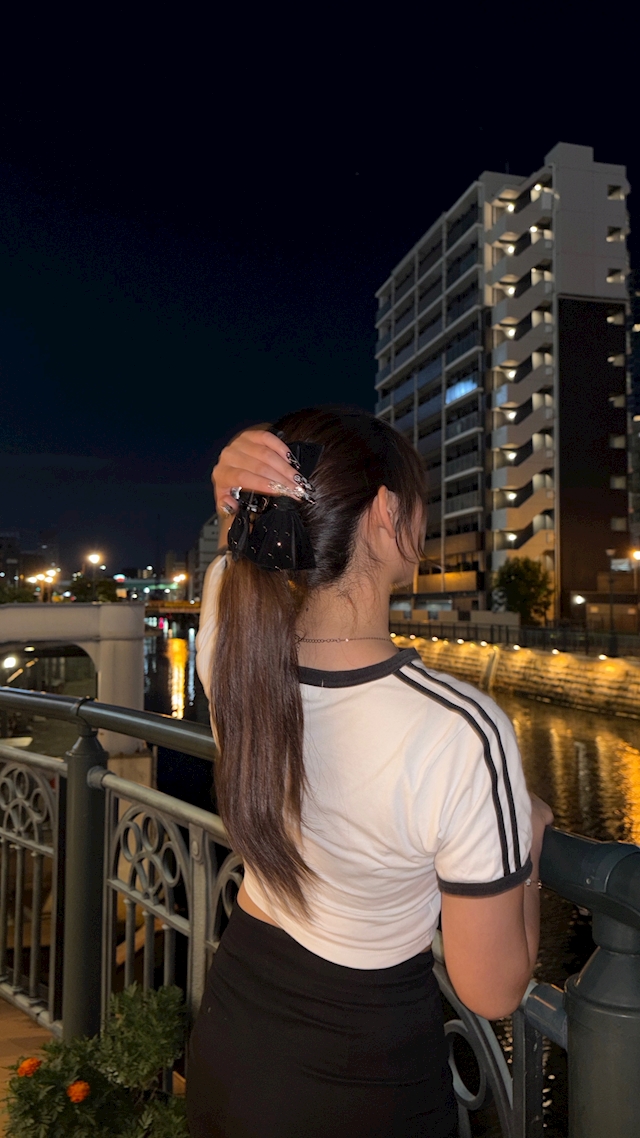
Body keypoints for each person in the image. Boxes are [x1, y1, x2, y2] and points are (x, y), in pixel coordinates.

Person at [186, 407, 553, 1138]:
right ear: (388, 513)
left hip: (235, 1030)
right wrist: (531, 842)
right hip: (365, 1071)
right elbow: (493, 988)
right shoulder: (458, 730)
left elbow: (238, 560)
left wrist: (230, 494)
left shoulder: (231, 641)